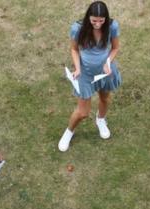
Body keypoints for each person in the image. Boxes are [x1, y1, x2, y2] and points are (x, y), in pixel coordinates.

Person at [58, 1, 122, 152]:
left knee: (104, 98)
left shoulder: (112, 26)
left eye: (101, 21)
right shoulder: (78, 28)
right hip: (85, 73)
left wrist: (107, 62)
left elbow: (115, 48)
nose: (98, 24)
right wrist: (78, 68)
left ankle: (100, 120)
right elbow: (74, 50)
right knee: (82, 112)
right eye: (94, 21)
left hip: (104, 71)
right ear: (88, 18)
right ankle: (69, 132)